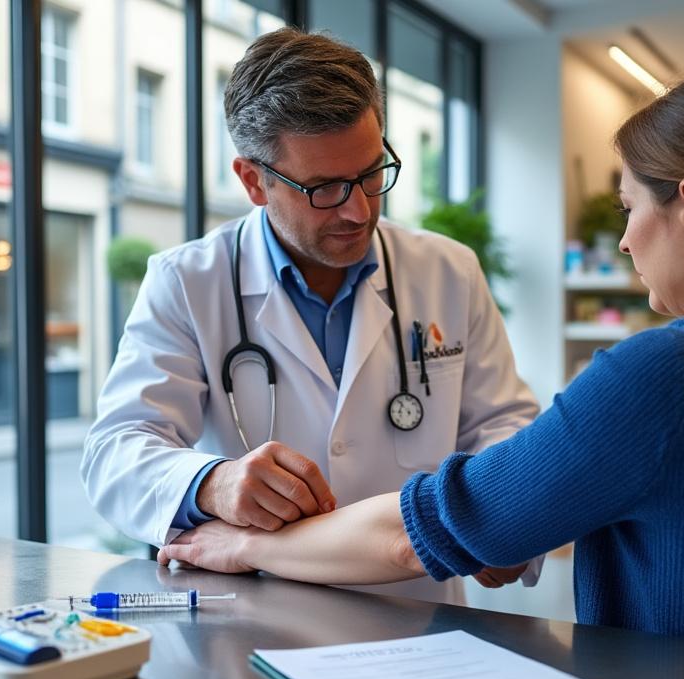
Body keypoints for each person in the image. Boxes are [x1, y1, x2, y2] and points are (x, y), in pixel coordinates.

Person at [156, 64, 684, 641]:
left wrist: (237, 547)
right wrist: (212, 485)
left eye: (629, 207)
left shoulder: (667, 373)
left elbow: (405, 539)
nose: (622, 238)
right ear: (253, 180)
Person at [81, 27, 540, 605]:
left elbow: (504, 423)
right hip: (259, 613)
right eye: (325, 188)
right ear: (254, 180)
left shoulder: (448, 270)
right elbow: (116, 452)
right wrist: (214, 483)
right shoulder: (187, 282)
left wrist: (511, 513)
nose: (358, 209)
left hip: (417, 607)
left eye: (372, 173)